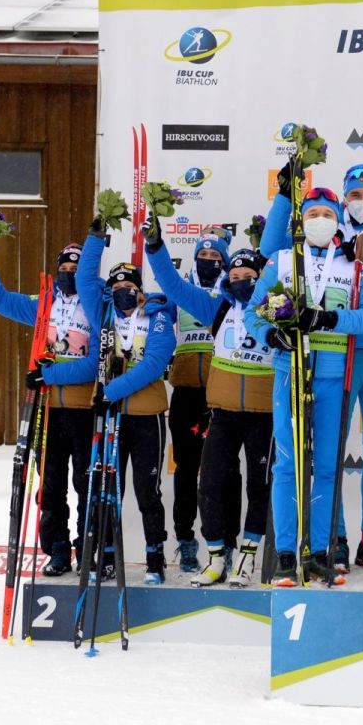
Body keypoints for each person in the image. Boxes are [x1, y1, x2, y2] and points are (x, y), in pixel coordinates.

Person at [260, 163, 363, 571]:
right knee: (300, 460)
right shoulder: (295, 255)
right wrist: (285, 195)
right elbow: (268, 259)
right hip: (315, 363)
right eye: (354, 195)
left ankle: (360, 538)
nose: (361, 201)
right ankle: (321, 543)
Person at [146, 221, 273, 587]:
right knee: (208, 483)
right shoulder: (217, 307)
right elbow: (173, 286)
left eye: (249, 277)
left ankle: (245, 557)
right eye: (236, 276)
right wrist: (155, 248)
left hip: (264, 415)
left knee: (258, 487)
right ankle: (215, 556)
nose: (242, 281)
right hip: (223, 412)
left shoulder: (275, 307)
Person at [0, 237, 98, 576]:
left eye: (75, 269)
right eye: (64, 268)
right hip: (49, 409)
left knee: (86, 483)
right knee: (51, 485)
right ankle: (58, 549)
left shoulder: (96, 302)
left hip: (85, 408)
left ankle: (88, 548)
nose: (68, 274)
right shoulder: (45, 303)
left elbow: (95, 363)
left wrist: (50, 374)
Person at [78, 223, 176, 584]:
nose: (123, 293)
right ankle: (105, 555)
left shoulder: (158, 316)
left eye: (129, 288)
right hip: (111, 415)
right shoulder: (103, 315)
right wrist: (94, 240)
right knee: (106, 490)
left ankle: (155, 558)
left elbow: (153, 364)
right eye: (117, 288)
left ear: (140, 291)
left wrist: (111, 390)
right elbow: (85, 279)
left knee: (147, 491)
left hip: (147, 415)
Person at [163, 227, 235, 573]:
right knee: (186, 469)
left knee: (225, 471)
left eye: (215, 256)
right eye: (203, 256)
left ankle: (227, 543)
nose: (208, 261)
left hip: (220, 392)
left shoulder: (230, 293)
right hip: (186, 391)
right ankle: (186, 540)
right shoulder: (180, 289)